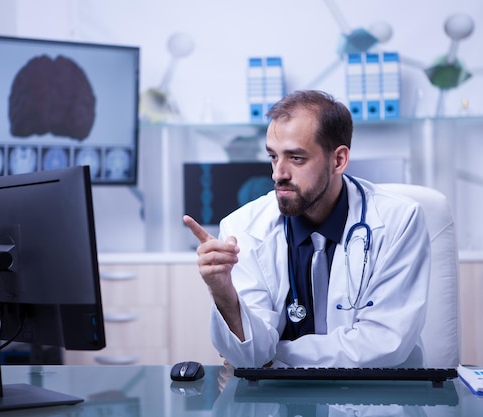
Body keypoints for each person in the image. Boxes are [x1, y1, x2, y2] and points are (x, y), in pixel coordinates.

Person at [183, 90, 431, 369]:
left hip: (377, 398)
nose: (278, 174)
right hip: (278, 402)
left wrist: (274, 357)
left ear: (338, 160)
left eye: (296, 158)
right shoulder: (241, 229)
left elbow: (383, 345)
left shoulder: (399, 221)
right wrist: (223, 292)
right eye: (273, 157)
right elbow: (250, 353)